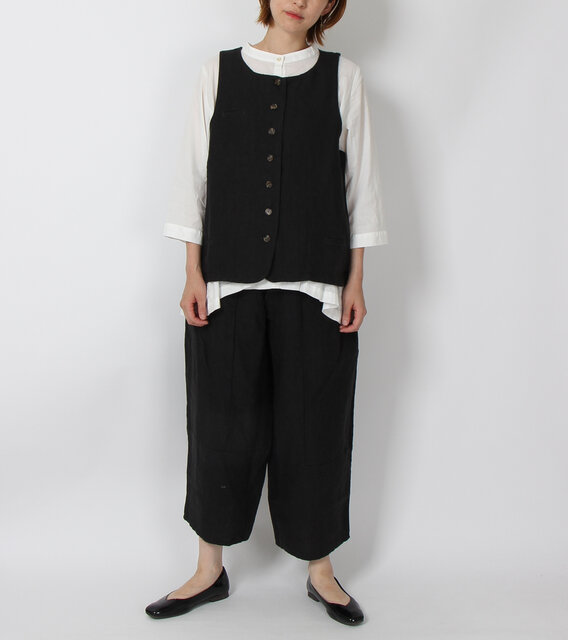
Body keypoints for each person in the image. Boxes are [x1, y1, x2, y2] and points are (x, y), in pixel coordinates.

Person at [146, 0, 388, 626]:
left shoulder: (344, 77)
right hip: (226, 283)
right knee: (220, 426)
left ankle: (321, 571)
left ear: (331, 5)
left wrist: (356, 280)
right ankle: (209, 569)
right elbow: (193, 176)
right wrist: (193, 272)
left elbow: (360, 184)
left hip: (318, 286)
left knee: (315, 428)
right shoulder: (217, 71)